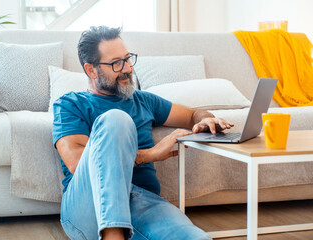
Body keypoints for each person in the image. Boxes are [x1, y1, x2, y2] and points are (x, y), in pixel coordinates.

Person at [52, 26, 234, 240]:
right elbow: (76, 162)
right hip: (88, 206)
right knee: (116, 119)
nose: (128, 68)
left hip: (143, 203)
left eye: (128, 59)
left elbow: (192, 115)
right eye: (116, 63)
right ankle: (112, 235)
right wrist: (150, 155)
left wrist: (206, 120)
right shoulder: (70, 105)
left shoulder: (143, 100)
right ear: (91, 70)